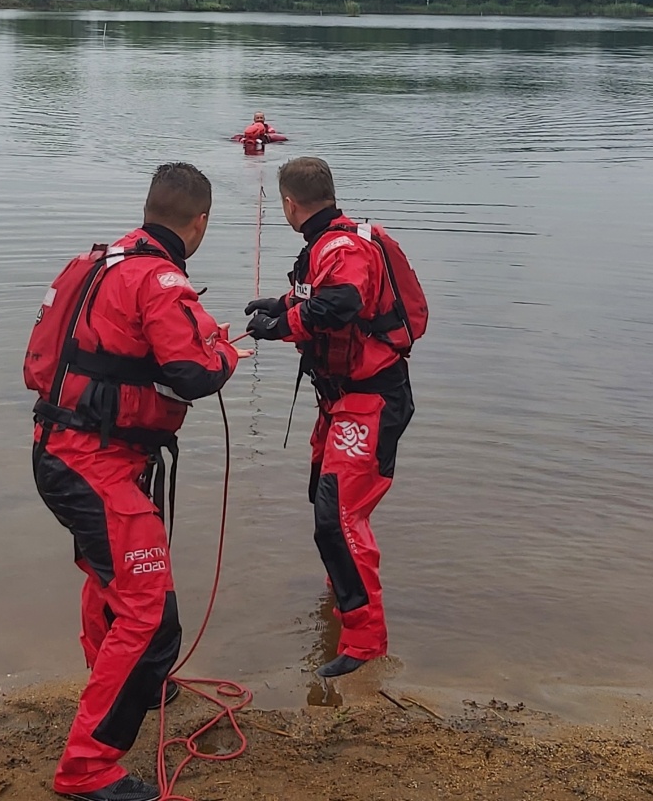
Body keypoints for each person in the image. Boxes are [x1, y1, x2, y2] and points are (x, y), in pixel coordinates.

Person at [28, 163, 250, 801]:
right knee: (149, 614)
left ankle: (122, 682)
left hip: (64, 450)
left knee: (112, 584)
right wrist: (227, 353)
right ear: (200, 222)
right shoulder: (158, 278)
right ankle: (87, 769)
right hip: (91, 462)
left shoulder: (103, 260)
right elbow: (191, 373)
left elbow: (121, 352)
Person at [244, 157, 420, 678]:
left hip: (370, 399)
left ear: (289, 205)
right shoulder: (330, 243)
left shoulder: (340, 247)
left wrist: (282, 326)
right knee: (324, 500)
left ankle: (365, 643)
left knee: (337, 515)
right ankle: (340, 591)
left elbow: (341, 304)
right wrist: (280, 306)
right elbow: (327, 301)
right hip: (341, 398)